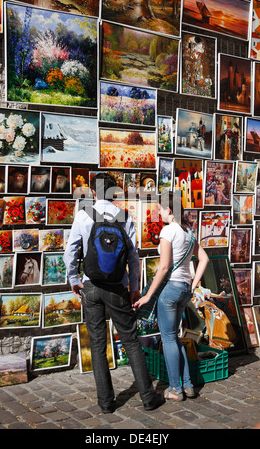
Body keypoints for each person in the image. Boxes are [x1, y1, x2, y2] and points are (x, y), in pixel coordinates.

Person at [63, 172, 164, 414]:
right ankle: (148, 398)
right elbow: (133, 257)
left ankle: (106, 403)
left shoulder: (83, 215)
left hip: (91, 287)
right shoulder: (124, 216)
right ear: (113, 192)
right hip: (118, 288)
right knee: (130, 340)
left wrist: (75, 280)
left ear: (94, 192)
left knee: (97, 344)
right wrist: (135, 288)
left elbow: (70, 253)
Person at [134, 191, 209, 401]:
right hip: (184, 289)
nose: (158, 213)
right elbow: (204, 260)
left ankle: (176, 389)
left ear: (169, 210)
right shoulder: (188, 233)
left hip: (171, 290)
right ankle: (187, 386)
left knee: (168, 338)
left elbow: (164, 266)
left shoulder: (168, 231)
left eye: (159, 209)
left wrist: (148, 295)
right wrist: (192, 285)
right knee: (174, 337)